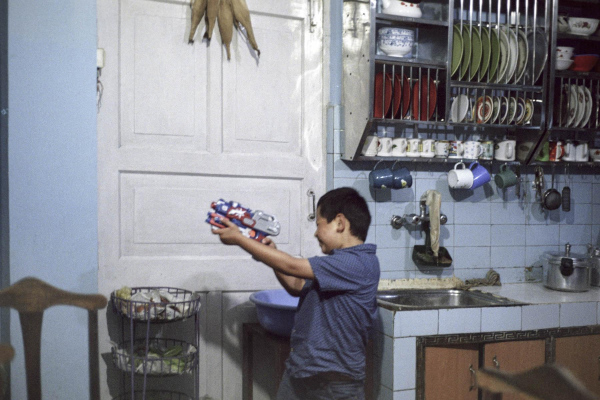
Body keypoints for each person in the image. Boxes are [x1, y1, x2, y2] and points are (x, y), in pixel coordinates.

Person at [212, 187, 380, 400]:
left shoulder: (360, 263)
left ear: (340, 223)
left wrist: (240, 238)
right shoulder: (334, 266)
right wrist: (271, 251)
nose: (316, 233)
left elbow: (291, 266)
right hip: (299, 374)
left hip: (336, 385)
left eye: (318, 224)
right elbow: (297, 285)